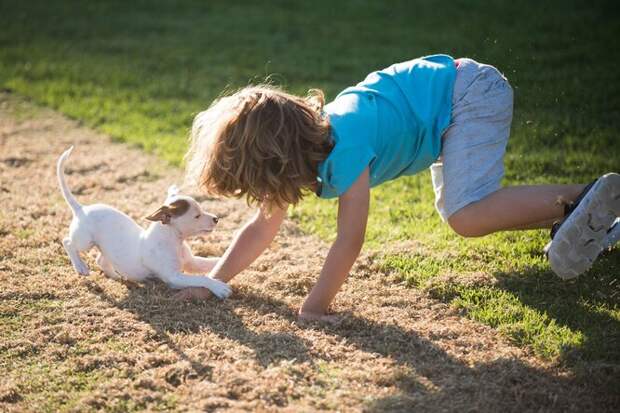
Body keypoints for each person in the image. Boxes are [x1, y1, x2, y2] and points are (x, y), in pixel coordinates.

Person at [180, 55, 620, 321]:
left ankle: (587, 196)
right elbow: (261, 228)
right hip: (448, 101)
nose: (260, 195)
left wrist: (314, 306)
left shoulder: (343, 146)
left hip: (467, 94)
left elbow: (349, 240)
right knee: (462, 213)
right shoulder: (311, 148)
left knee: (467, 214)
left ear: (277, 162)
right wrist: (215, 282)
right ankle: (583, 215)